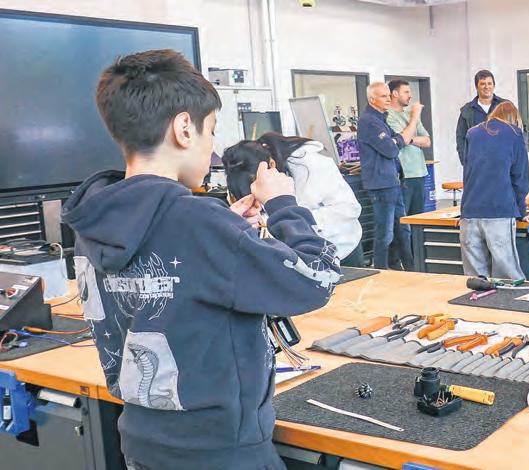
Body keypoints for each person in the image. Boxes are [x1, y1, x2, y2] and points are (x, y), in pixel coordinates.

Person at [61, 49, 340, 469]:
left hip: (142, 445)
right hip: (222, 452)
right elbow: (317, 280)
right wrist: (284, 205)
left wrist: (229, 229)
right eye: (210, 131)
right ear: (184, 128)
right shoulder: (198, 222)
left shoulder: (96, 219)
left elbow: (168, 269)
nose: (212, 149)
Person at [221, 132, 363, 262]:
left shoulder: (311, 165)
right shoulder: (240, 178)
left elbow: (349, 209)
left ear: (271, 164)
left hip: (341, 248)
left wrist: (292, 220)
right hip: (299, 257)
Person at [460, 101, 529, 280]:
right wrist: (521, 212)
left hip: (470, 214)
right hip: (499, 212)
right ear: (514, 118)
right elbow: (520, 178)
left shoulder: (472, 133)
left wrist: (464, 212)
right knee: (508, 277)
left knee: (475, 280)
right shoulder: (514, 134)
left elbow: (468, 174)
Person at [357, 82, 421, 270]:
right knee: (385, 233)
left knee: (403, 230)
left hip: (393, 182)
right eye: (384, 96)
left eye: (388, 95)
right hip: (381, 185)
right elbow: (391, 149)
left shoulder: (381, 119)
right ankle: (381, 270)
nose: (388, 99)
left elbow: (399, 140)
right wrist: (397, 140)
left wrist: (396, 140)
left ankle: (410, 269)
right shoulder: (369, 121)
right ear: (372, 99)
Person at [386, 79, 432, 216]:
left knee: (418, 219)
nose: (410, 96)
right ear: (395, 94)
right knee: (403, 219)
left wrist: (410, 139)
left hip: (420, 173)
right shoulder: (388, 116)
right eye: (406, 92)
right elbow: (402, 139)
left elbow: (427, 141)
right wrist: (415, 117)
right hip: (404, 175)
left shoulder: (410, 115)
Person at [456, 70, 507, 165]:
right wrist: (466, 162)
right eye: (483, 84)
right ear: (476, 87)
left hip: (503, 162)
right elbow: (461, 138)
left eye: (489, 83)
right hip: (477, 164)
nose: (486, 87)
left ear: (494, 86)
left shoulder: (505, 106)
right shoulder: (467, 110)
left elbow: (516, 131)